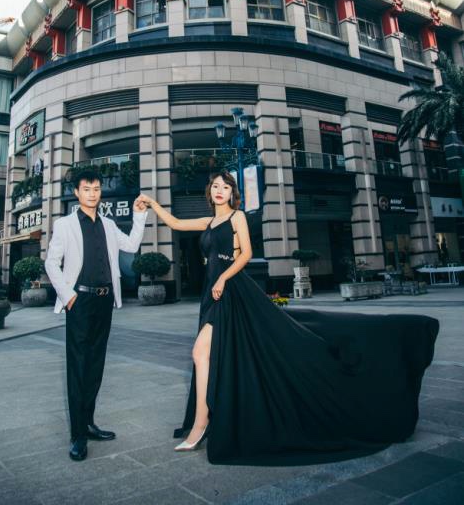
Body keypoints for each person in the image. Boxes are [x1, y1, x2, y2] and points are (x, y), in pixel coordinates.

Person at [138, 170, 439, 466]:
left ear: (232, 193)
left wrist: (223, 278)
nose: (220, 191)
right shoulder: (209, 221)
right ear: (210, 191)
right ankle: (203, 420)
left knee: (200, 352)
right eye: (216, 186)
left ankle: (201, 424)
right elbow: (175, 222)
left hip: (230, 289)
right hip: (212, 292)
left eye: (225, 187)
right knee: (205, 354)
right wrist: (152, 203)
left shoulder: (236, 217)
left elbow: (246, 254)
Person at [45, 169, 148, 461]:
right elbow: (52, 263)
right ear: (77, 193)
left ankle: (88, 423)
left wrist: (139, 215)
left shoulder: (108, 224)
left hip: (104, 300)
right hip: (79, 301)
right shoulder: (64, 225)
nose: (93, 194)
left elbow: (132, 245)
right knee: (78, 366)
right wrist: (68, 296)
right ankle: (78, 434)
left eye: (97, 189)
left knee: (95, 365)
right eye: (87, 189)